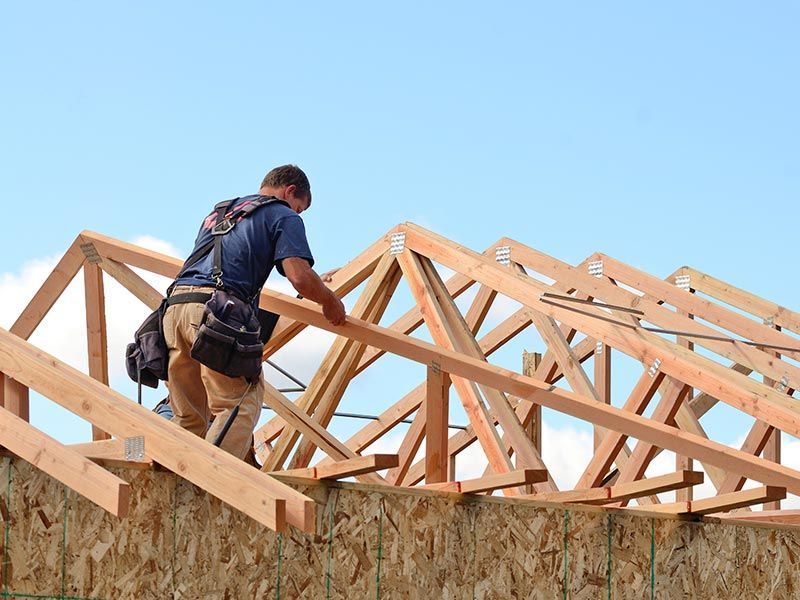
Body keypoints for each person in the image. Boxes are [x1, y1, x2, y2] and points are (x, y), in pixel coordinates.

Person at [163, 164, 345, 460]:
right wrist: (328, 301)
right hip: (215, 312)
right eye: (300, 208)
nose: (297, 214)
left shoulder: (221, 213)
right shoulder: (283, 214)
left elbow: (230, 264)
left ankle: (181, 484)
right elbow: (298, 275)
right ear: (290, 192)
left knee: (190, 417)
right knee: (240, 402)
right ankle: (212, 483)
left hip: (176, 309)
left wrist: (310, 288)